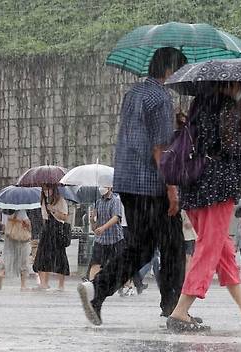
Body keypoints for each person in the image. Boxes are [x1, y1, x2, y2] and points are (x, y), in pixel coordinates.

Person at [78, 47, 188, 326]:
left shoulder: (133, 94)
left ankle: (97, 291)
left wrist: (173, 124)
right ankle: (175, 309)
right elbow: (160, 149)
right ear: (169, 70)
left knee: (139, 247)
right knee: (173, 246)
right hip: (153, 187)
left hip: (127, 183)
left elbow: (141, 134)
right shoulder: (162, 98)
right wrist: (172, 188)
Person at [167, 81, 241, 332]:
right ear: (231, 83)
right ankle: (181, 311)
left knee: (221, 247)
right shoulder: (226, 107)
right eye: (240, 84)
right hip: (217, 187)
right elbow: (229, 147)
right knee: (210, 247)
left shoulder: (198, 105)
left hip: (193, 187)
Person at [33, 184, 70, 291]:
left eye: (48, 189)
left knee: (60, 257)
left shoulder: (60, 200)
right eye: (44, 189)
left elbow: (64, 216)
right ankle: (44, 283)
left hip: (57, 229)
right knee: (42, 256)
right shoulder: (43, 201)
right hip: (47, 229)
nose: (46, 191)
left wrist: (53, 210)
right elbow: (44, 218)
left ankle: (61, 285)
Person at [88, 186, 124, 281]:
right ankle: (92, 284)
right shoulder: (98, 202)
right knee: (96, 263)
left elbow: (116, 217)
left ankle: (128, 286)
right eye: (100, 185)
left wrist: (103, 227)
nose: (101, 188)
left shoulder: (115, 201)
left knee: (120, 265)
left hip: (115, 238)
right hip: (100, 240)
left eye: (104, 185)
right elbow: (94, 227)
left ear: (110, 187)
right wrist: (92, 220)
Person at [0, 209, 31, 291]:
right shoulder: (21, 210)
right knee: (23, 259)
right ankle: (23, 285)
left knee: (7, 255)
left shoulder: (4, 210)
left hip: (9, 235)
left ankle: (0, 272)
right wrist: (29, 228)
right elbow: (27, 223)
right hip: (21, 237)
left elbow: (3, 225)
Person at [181, 209, 197, 276]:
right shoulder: (183, 209)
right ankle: (186, 277)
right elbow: (187, 224)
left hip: (191, 236)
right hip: (185, 236)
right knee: (187, 258)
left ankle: (187, 277)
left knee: (189, 258)